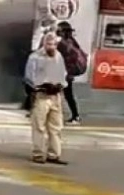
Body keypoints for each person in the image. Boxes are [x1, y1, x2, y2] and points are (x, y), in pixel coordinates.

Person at [24, 32, 68, 165]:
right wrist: (41, 86)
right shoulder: (35, 57)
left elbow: (63, 74)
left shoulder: (58, 56)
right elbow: (29, 77)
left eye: (54, 44)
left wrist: (60, 85)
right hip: (41, 95)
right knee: (39, 126)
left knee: (56, 127)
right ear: (44, 44)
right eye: (49, 44)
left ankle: (54, 154)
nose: (51, 47)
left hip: (55, 96)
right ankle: (38, 154)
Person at [56, 21, 85, 125]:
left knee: (55, 94)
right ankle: (75, 116)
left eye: (58, 30)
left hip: (62, 73)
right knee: (68, 95)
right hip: (68, 73)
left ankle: (73, 116)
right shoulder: (72, 41)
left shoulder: (63, 43)